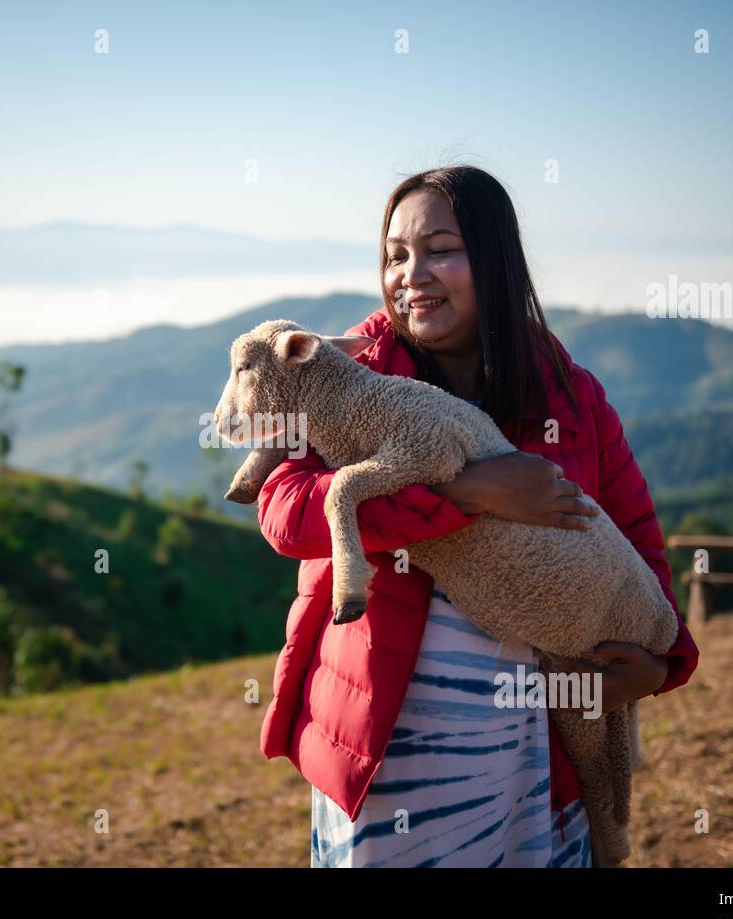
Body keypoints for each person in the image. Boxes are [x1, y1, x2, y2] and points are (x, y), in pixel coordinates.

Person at [255, 166, 700, 867]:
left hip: (539, 753)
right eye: (394, 256)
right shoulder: (347, 374)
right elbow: (285, 512)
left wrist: (660, 665)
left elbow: (639, 545)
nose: (412, 275)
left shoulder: (573, 396)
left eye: (440, 249)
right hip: (399, 750)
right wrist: (464, 493)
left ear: (495, 258)